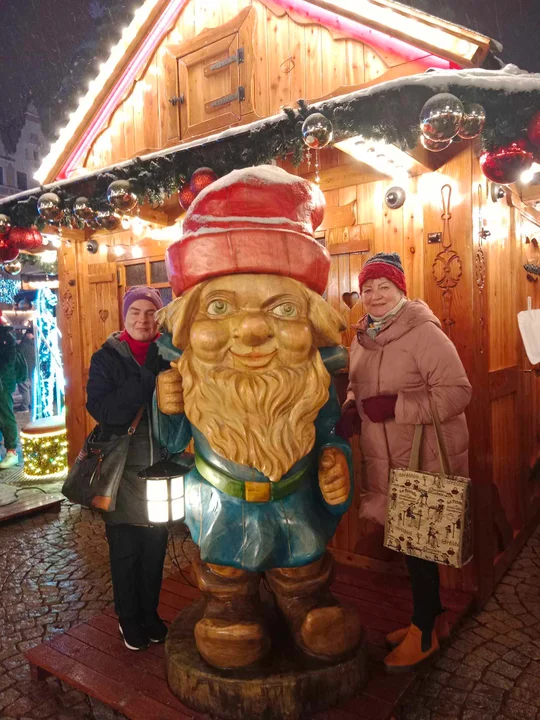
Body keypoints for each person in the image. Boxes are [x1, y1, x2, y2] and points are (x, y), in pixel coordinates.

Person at [342, 252, 471, 673]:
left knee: (419, 545)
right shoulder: (362, 338)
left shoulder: (423, 333)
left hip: (424, 457)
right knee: (412, 543)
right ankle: (432, 620)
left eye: (384, 288)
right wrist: (349, 408)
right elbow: (358, 388)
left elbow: (457, 392)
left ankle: (424, 633)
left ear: (401, 291)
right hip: (389, 459)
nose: (375, 296)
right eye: (368, 289)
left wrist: (398, 405)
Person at [86, 286, 170, 652]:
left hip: (160, 467)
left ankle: (150, 613)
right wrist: (145, 381)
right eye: (135, 311)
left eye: (150, 312)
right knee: (125, 551)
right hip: (120, 472)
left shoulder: (167, 355)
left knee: (156, 547)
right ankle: (128, 617)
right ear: (124, 315)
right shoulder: (107, 358)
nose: (142, 319)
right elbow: (105, 412)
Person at [0, 324, 20, 469]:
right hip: (4, 381)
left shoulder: (6, 336)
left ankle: (11, 452)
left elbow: (9, 361)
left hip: (3, 383)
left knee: (6, 415)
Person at [16, 329, 35, 412]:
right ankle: (31, 404)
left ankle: (24, 407)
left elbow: (18, 357)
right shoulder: (35, 344)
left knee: (24, 389)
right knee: (30, 388)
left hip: (24, 370)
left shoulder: (23, 345)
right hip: (33, 370)